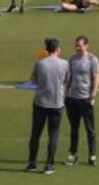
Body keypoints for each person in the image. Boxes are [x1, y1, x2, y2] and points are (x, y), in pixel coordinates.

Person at [27, 37, 69, 175]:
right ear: (57, 49)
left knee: (35, 133)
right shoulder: (64, 63)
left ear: (46, 49)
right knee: (53, 135)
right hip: (56, 103)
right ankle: (49, 165)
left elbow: (33, 80)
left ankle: (32, 163)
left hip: (40, 102)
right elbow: (67, 81)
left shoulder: (40, 63)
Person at [64, 36, 99, 167]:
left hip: (85, 99)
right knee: (74, 129)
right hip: (72, 99)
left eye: (79, 45)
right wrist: (65, 94)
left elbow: (96, 78)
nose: (77, 48)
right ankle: (73, 155)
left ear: (86, 45)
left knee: (90, 129)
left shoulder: (92, 59)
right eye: (76, 45)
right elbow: (69, 78)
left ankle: (92, 155)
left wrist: (93, 96)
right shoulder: (72, 59)